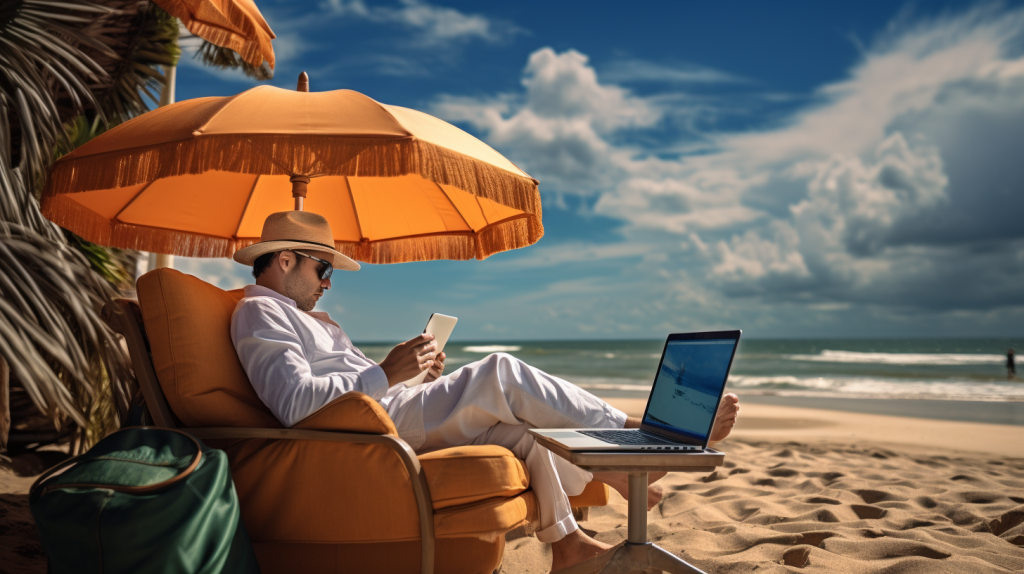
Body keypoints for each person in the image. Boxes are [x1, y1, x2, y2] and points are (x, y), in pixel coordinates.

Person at [229, 211, 741, 572]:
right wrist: (387, 372)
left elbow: (356, 383)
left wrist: (412, 373)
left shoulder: (314, 320)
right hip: (368, 432)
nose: (329, 283)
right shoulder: (260, 311)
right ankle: (637, 437)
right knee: (500, 372)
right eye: (323, 269)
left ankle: (568, 548)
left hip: (388, 410)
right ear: (287, 260)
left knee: (520, 431)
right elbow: (295, 404)